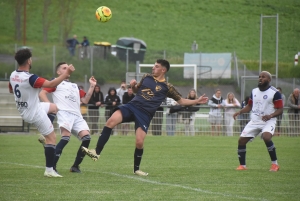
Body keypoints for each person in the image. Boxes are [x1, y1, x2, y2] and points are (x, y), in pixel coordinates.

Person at [81, 59, 208, 176]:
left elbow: (181, 101)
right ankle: (96, 152)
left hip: (145, 114)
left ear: (163, 70)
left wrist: (197, 100)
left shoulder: (168, 87)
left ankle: (136, 169)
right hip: (132, 106)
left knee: (139, 142)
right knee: (110, 121)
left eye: (156, 66)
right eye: (154, 65)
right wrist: (133, 86)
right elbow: (137, 91)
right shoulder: (147, 77)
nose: (153, 68)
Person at [9, 48, 74, 177]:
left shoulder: (13, 75)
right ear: (28, 61)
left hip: (31, 108)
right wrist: (66, 73)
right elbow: (51, 83)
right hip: (34, 112)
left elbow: (12, 90)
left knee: (54, 107)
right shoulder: (31, 78)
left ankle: (45, 132)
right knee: (52, 138)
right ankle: (49, 170)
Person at [39, 62, 97, 173]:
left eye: (68, 67)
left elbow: (84, 100)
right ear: (58, 72)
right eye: (64, 68)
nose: (67, 69)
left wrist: (92, 86)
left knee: (87, 138)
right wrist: (52, 107)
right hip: (64, 113)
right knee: (66, 138)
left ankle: (75, 166)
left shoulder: (75, 86)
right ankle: (52, 167)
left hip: (77, 115)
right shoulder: (55, 82)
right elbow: (42, 94)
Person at [233, 71, 283, 172]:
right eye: (259, 77)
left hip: (269, 120)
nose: (260, 78)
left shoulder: (275, 93)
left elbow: (280, 109)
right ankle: (242, 165)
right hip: (255, 120)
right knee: (241, 141)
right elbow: (249, 106)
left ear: (269, 80)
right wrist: (239, 112)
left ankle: (275, 164)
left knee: (266, 137)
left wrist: (270, 115)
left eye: (263, 77)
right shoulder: (254, 91)